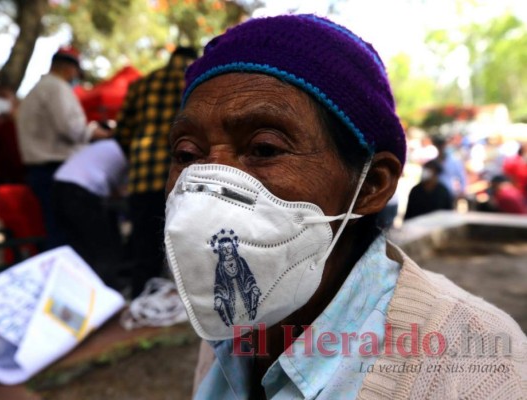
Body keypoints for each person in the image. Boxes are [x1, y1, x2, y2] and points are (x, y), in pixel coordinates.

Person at [162, 15, 527, 399]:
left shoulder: (481, 376)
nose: (210, 182)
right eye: (187, 153)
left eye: (265, 149)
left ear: (372, 184)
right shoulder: (229, 323)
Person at [115, 46, 197, 297]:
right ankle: (189, 307)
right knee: (188, 246)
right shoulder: (195, 82)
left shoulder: (141, 84)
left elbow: (122, 132)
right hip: (182, 177)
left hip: (142, 176)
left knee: (144, 248)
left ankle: (141, 305)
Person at [16, 46, 111, 249]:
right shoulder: (56, 88)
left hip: (42, 170)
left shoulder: (38, 89)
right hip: (56, 171)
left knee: (54, 230)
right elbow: (71, 129)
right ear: (69, 68)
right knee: (66, 235)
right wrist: (99, 134)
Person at [52, 139, 128, 289]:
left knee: (79, 247)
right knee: (103, 248)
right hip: (82, 191)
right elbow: (119, 191)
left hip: (59, 186)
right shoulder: (124, 154)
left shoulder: (106, 145)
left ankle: (81, 290)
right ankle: (108, 293)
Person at [432, 135, 467, 200]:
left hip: (450, 193)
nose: (440, 148)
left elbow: (462, 176)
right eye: (439, 145)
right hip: (435, 193)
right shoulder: (433, 162)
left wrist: (462, 191)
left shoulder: (454, 161)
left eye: (442, 145)